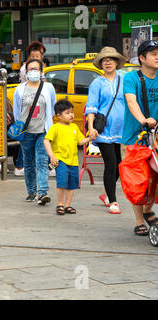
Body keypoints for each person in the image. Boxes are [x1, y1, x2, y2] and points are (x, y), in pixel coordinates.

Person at [122, 40, 158, 236]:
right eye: (153, 54)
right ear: (142, 59)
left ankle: (147, 209)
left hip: (157, 136)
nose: (157, 56)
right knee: (138, 181)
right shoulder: (131, 78)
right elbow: (131, 100)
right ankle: (138, 220)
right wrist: (143, 120)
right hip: (134, 138)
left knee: (154, 178)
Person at [86, 47, 127, 214]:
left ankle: (105, 193)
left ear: (117, 62)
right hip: (104, 130)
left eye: (111, 59)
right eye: (104, 60)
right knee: (110, 164)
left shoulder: (124, 80)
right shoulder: (97, 83)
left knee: (119, 164)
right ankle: (113, 201)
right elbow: (91, 108)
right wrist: (90, 128)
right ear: (101, 64)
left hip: (122, 129)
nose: (108, 62)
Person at [13, 59, 56, 205]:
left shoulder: (48, 87)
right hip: (26, 132)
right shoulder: (19, 89)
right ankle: (31, 191)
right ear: (26, 72)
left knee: (42, 161)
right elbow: (16, 111)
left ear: (41, 71)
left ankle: (42, 192)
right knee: (28, 163)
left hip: (43, 131)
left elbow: (52, 108)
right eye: (30, 69)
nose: (33, 72)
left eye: (36, 69)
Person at [44, 100, 96, 215]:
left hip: (73, 161)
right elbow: (46, 140)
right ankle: (60, 204)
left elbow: (80, 141)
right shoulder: (55, 128)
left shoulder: (74, 127)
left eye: (72, 112)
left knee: (72, 184)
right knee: (62, 182)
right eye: (67, 113)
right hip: (60, 160)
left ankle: (68, 205)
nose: (71, 115)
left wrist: (90, 138)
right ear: (58, 116)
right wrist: (52, 155)